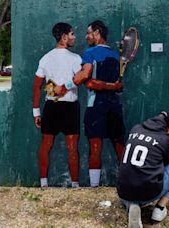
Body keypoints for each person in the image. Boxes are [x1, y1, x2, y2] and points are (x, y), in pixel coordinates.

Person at [55, 20, 124, 187]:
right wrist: (112, 86)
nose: (86, 37)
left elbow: (84, 78)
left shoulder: (90, 53)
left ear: (97, 33)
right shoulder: (116, 56)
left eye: (88, 33)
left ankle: (94, 187)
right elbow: (117, 86)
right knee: (119, 146)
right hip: (115, 105)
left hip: (96, 106)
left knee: (95, 147)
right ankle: (127, 183)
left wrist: (64, 88)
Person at [117, 111, 169, 228]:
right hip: (149, 191)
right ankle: (160, 208)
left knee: (130, 186)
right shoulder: (165, 140)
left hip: (123, 189)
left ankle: (132, 205)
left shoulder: (135, 129)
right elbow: (166, 164)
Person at [32, 22, 82, 188]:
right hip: (67, 107)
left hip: (53, 107)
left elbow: (37, 86)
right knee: (71, 147)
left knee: (47, 146)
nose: (74, 37)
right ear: (64, 37)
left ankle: (44, 184)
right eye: (72, 34)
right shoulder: (76, 59)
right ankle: (72, 185)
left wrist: (36, 113)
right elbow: (79, 80)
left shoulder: (46, 58)